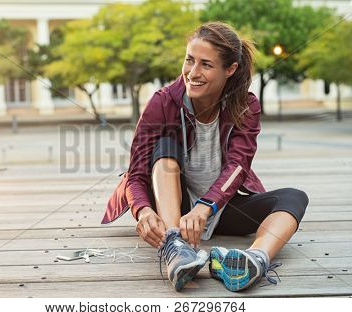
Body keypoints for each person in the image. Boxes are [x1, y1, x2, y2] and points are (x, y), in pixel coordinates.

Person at [102, 22, 309, 292]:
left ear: (230, 70)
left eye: (206, 65)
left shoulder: (246, 105)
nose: (193, 72)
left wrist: (206, 206)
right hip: (175, 209)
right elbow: (137, 173)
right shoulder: (162, 102)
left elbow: (238, 166)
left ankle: (255, 259)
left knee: (294, 197)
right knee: (165, 146)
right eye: (189, 61)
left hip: (220, 207)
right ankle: (175, 247)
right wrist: (143, 210)